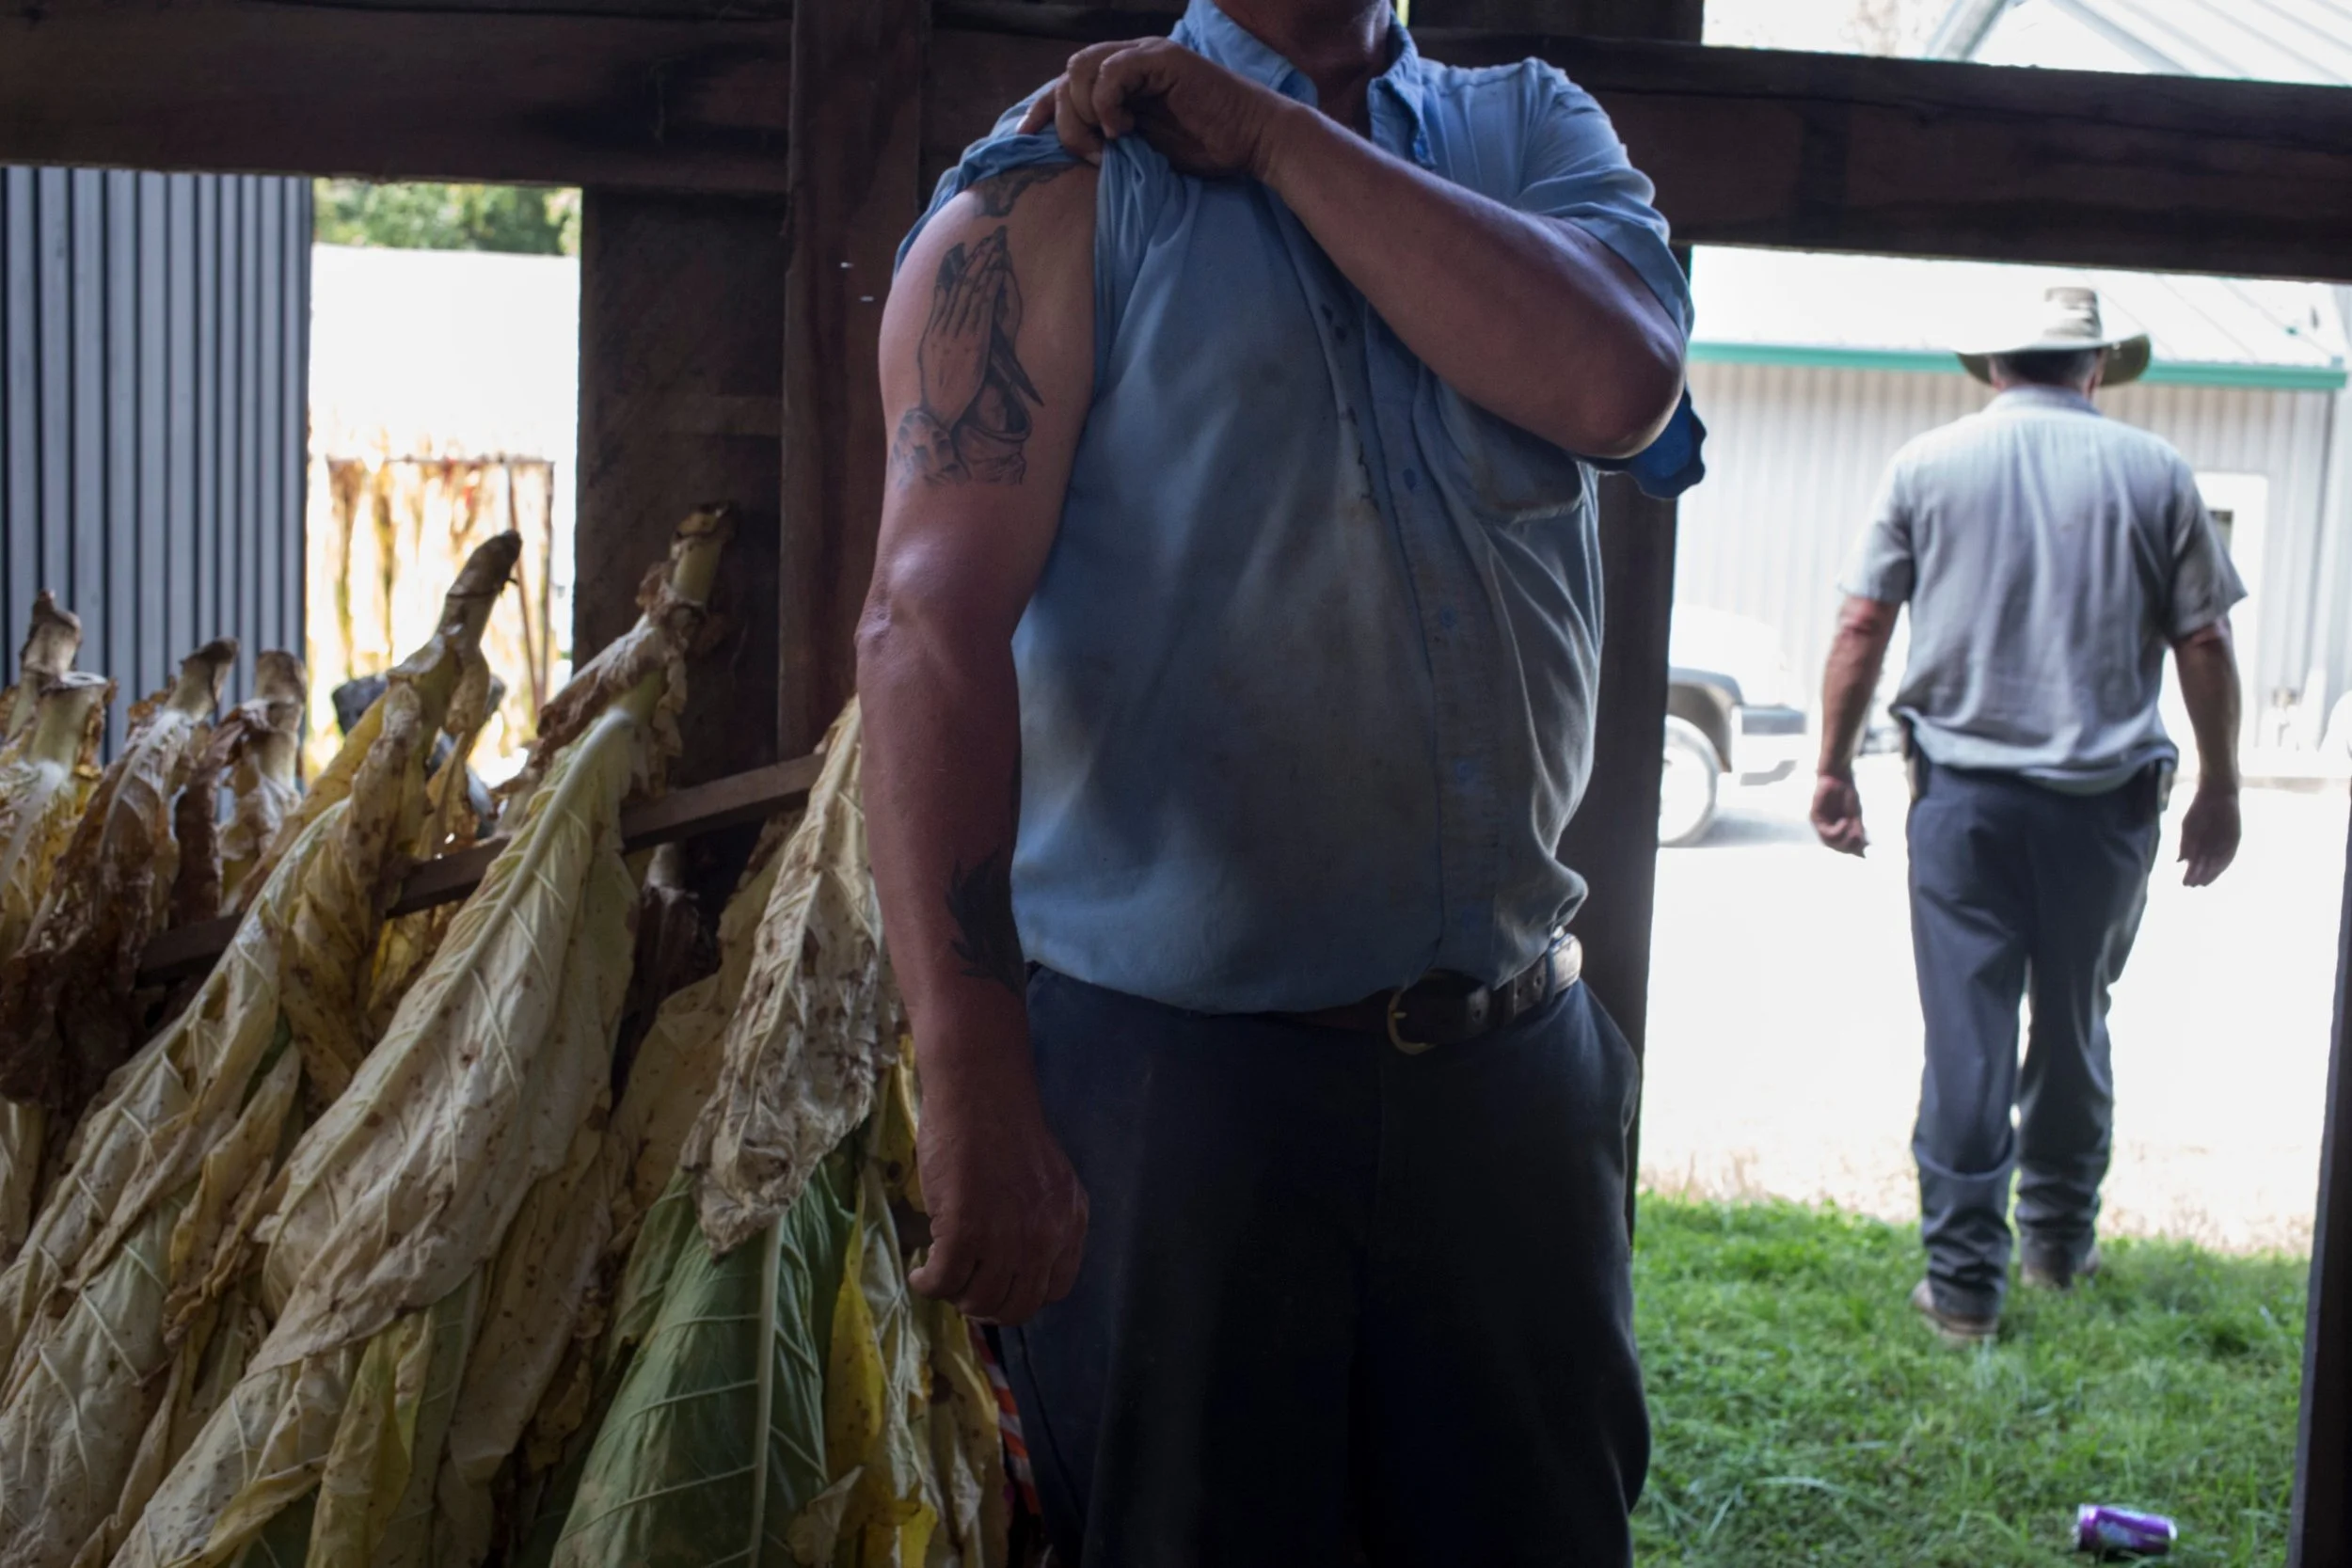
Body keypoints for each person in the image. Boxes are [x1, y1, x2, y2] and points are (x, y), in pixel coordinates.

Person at [855, 1, 1703, 1559]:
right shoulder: (1049, 190)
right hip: (1182, 1101)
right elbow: (927, 625)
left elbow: (1619, 386)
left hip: (1507, 1071)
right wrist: (967, 1066)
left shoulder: (1533, 132)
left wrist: (1275, 139)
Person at [1811, 284, 2246, 1348]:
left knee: (1966, 1031)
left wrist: (1830, 766)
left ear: (1995, 364)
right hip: (2102, 813)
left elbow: (1863, 620)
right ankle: (2055, 1242)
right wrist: (2221, 787)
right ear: (2094, 367)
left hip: (1962, 802)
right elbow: (2202, 642)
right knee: (2075, 1014)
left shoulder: (1927, 464)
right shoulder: (2157, 473)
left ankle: (1963, 1289)